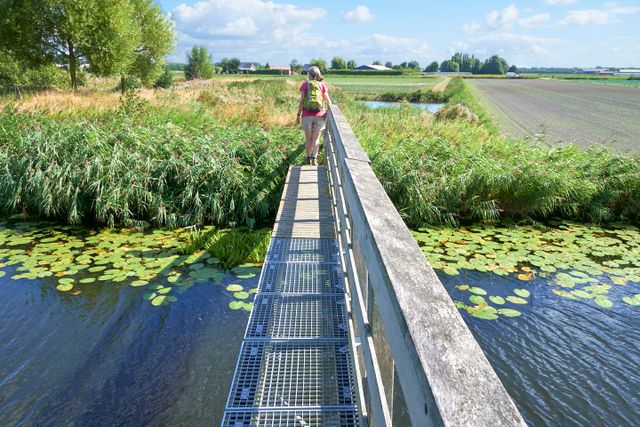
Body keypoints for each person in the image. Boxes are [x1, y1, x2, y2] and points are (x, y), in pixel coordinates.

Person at [296, 66, 332, 166]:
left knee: (308, 139)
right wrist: (328, 112)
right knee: (316, 139)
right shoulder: (322, 85)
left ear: (309, 74)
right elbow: (328, 101)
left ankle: (308, 158)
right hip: (320, 115)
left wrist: (298, 115)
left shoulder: (305, 85)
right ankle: (315, 159)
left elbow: (302, 101)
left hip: (307, 115)